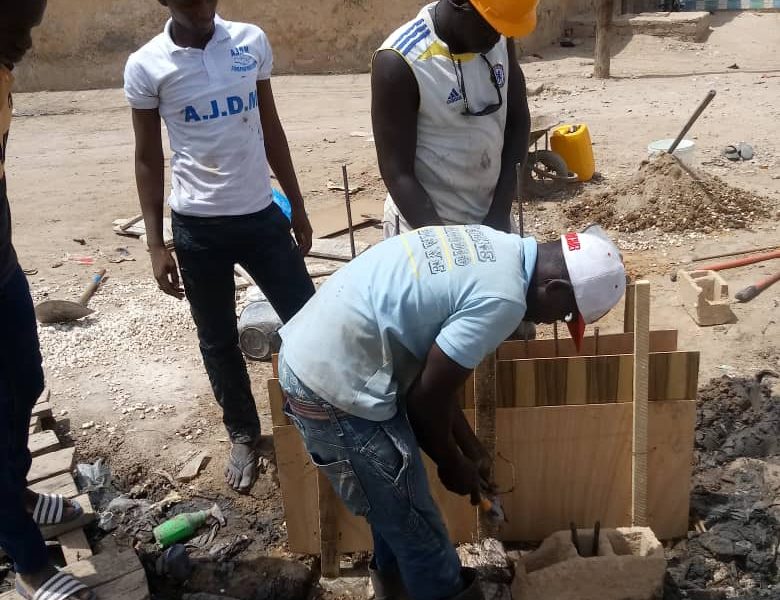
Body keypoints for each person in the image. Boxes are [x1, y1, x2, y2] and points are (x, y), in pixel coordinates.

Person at [278, 224, 626, 599]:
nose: (554, 322)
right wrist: (451, 463)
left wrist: (471, 450)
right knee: (420, 531)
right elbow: (424, 401)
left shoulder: (497, 246)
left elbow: (436, 381)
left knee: (392, 509)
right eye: (567, 314)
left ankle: (395, 591)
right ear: (555, 289)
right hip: (335, 385)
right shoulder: (505, 300)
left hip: (323, 356)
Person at [124, 0, 315, 493]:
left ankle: (316, 416)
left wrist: (297, 205)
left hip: (260, 216)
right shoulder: (147, 65)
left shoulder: (249, 42)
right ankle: (245, 434)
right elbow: (148, 157)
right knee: (218, 339)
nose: (202, 6)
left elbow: (271, 128)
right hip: (198, 229)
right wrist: (155, 244)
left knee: (310, 321)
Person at [1, 2, 95, 599]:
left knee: (26, 382)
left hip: (1, 269)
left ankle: (19, 492)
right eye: (21, 23)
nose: (31, 40)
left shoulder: (1, 74)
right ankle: (31, 565)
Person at [372, 0, 538, 239]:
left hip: (491, 218)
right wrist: (450, 247)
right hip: (423, 227)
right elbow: (398, 173)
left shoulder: (497, 38)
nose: (496, 37)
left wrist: (500, 212)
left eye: (503, 29)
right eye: (490, 26)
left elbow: (518, 122)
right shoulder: (401, 61)